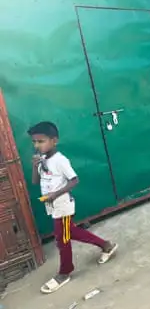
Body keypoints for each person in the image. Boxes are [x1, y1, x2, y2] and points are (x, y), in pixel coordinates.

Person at [28, 122, 118, 294]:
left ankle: (64, 272)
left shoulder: (60, 160)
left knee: (63, 239)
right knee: (69, 232)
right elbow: (35, 182)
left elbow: (74, 180)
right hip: (52, 205)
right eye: (35, 142)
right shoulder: (42, 160)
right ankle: (106, 245)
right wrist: (34, 166)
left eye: (41, 141)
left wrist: (56, 194)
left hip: (63, 205)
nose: (37, 145)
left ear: (54, 140)